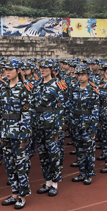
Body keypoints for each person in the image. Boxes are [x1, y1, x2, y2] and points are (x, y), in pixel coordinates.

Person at [0, 59, 34, 209]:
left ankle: (22, 195)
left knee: (21, 165)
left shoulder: (24, 89)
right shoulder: (3, 88)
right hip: (5, 131)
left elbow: (27, 114)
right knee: (9, 165)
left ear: (18, 71)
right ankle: (14, 193)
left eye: (10, 69)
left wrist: (25, 135)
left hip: (18, 133)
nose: (7, 72)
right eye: (6, 69)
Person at [32, 59, 65, 196]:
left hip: (51, 125)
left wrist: (58, 129)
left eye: (45, 68)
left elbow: (60, 108)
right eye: (41, 67)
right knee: (43, 155)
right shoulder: (37, 84)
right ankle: (47, 181)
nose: (42, 70)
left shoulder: (57, 85)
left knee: (53, 154)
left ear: (51, 69)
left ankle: (55, 183)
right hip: (39, 125)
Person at [67, 64, 99, 185]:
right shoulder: (74, 88)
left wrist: (93, 127)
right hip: (76, 123)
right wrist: (70, 123)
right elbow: (70, 106)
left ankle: (89, 173)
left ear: (88, 76)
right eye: (78, 75)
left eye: (83, 75)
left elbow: (95, 110)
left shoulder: (93, 90)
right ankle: (82, 173)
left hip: (87, 124)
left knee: (89, 150)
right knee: (79, 149)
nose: (80, 77)